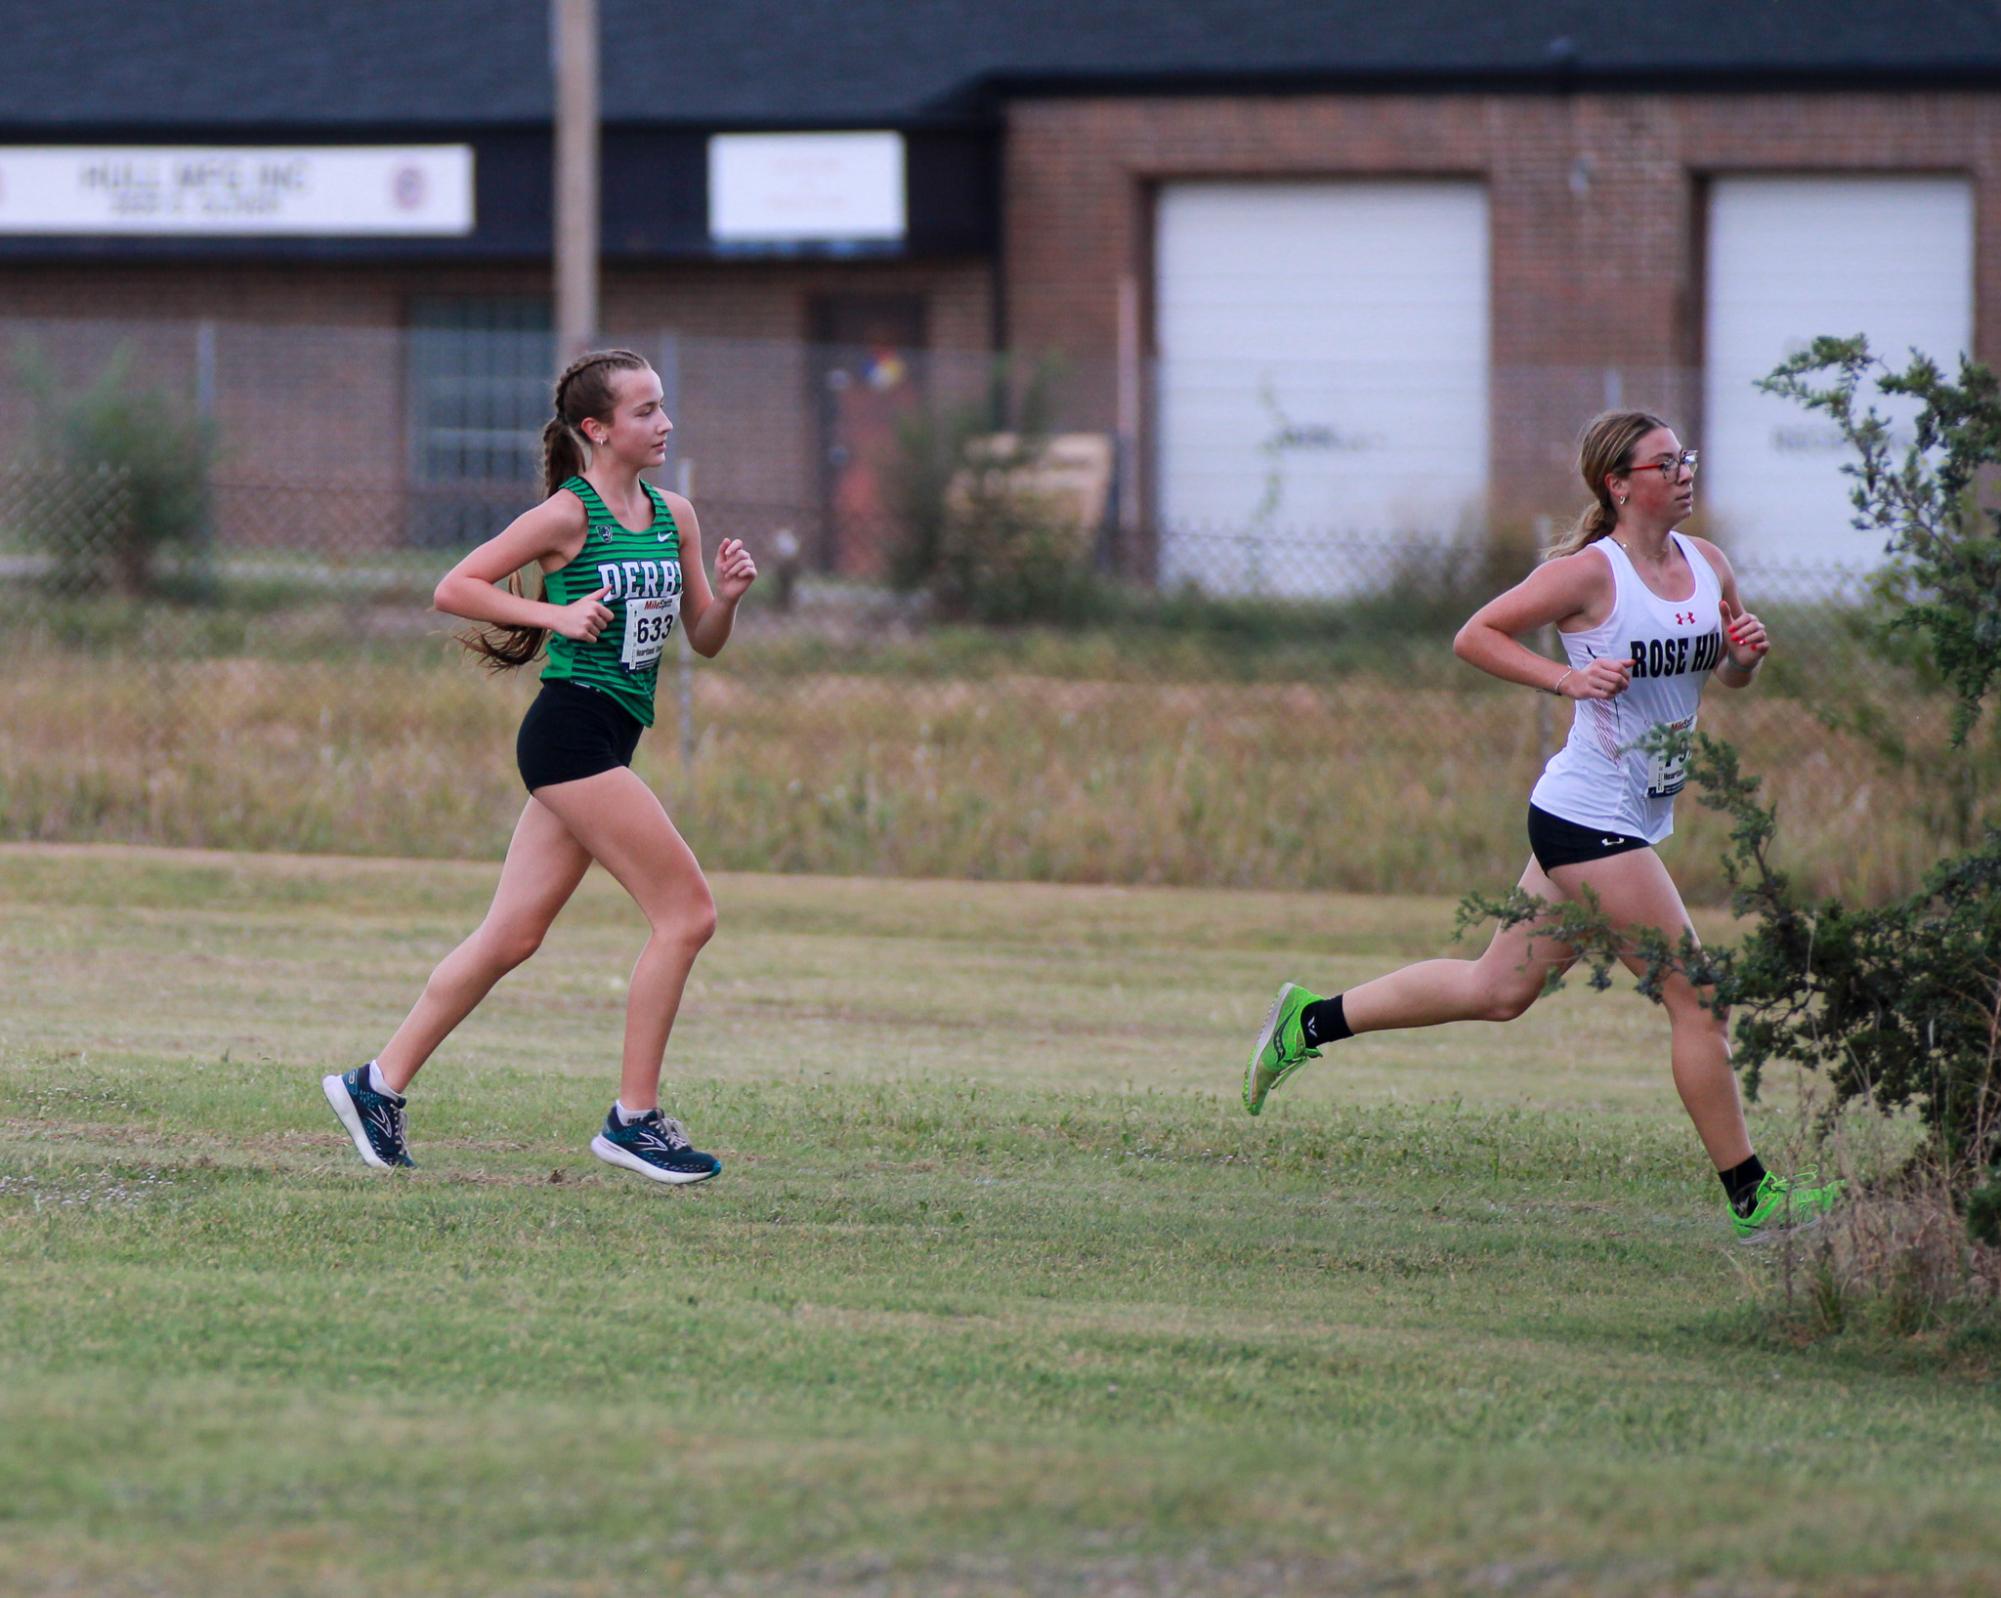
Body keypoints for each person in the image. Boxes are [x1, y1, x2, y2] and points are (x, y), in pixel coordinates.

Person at [1242, 410, 1842, 1241]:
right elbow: (1473, 635)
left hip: (1624, 816)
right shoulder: (1588, 575)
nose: (1683, 472)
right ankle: (1754, 1196)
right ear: (1617, 483)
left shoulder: (1707, 564)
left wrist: (1743, 656)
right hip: (1586, 820)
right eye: (1664, 462)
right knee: (1697, 999)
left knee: (1498, 991)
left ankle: (1307, 1020)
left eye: (1686, 458)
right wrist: (1565, 681)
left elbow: (1727, 679)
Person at [323, 348, 755, 1185]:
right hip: (568, 739)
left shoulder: (676, 514)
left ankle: (375, 1085)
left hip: (607, 739)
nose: (663, 423)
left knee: (511, 935)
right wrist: (552, 613)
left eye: (662, 407)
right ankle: (633, 1121)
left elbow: (701, 636)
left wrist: (728, 598)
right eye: (643, 412)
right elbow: (456, 586)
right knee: (687, 915)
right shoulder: (569, 513)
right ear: (596, 429)